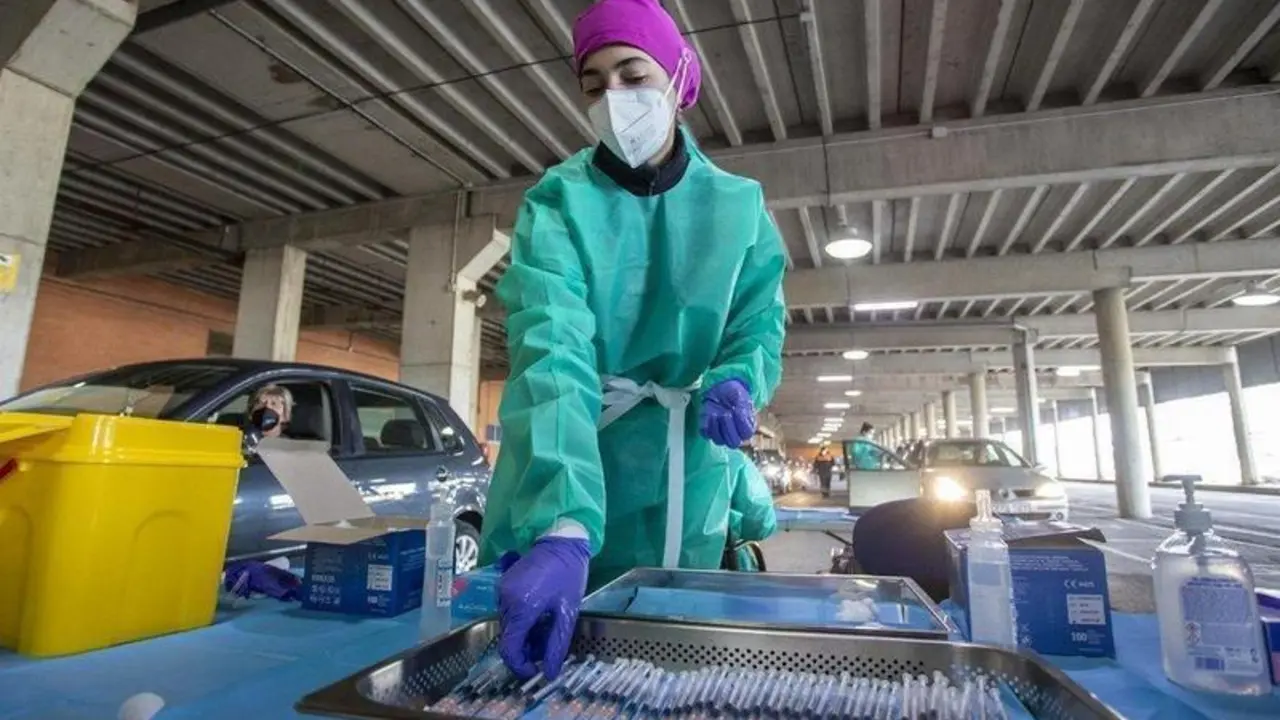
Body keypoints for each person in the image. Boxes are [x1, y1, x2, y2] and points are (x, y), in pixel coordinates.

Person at [478, 0, 787, 681]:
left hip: (691, 464)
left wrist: (738, 377)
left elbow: (758, 320)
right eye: (594, 86)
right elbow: (551, 350)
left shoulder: (739, 207)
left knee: (677, 659)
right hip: (581, 446)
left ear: (679, 79)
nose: (614, 98)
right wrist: (560, 524)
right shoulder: (558, 202)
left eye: (632, 73)